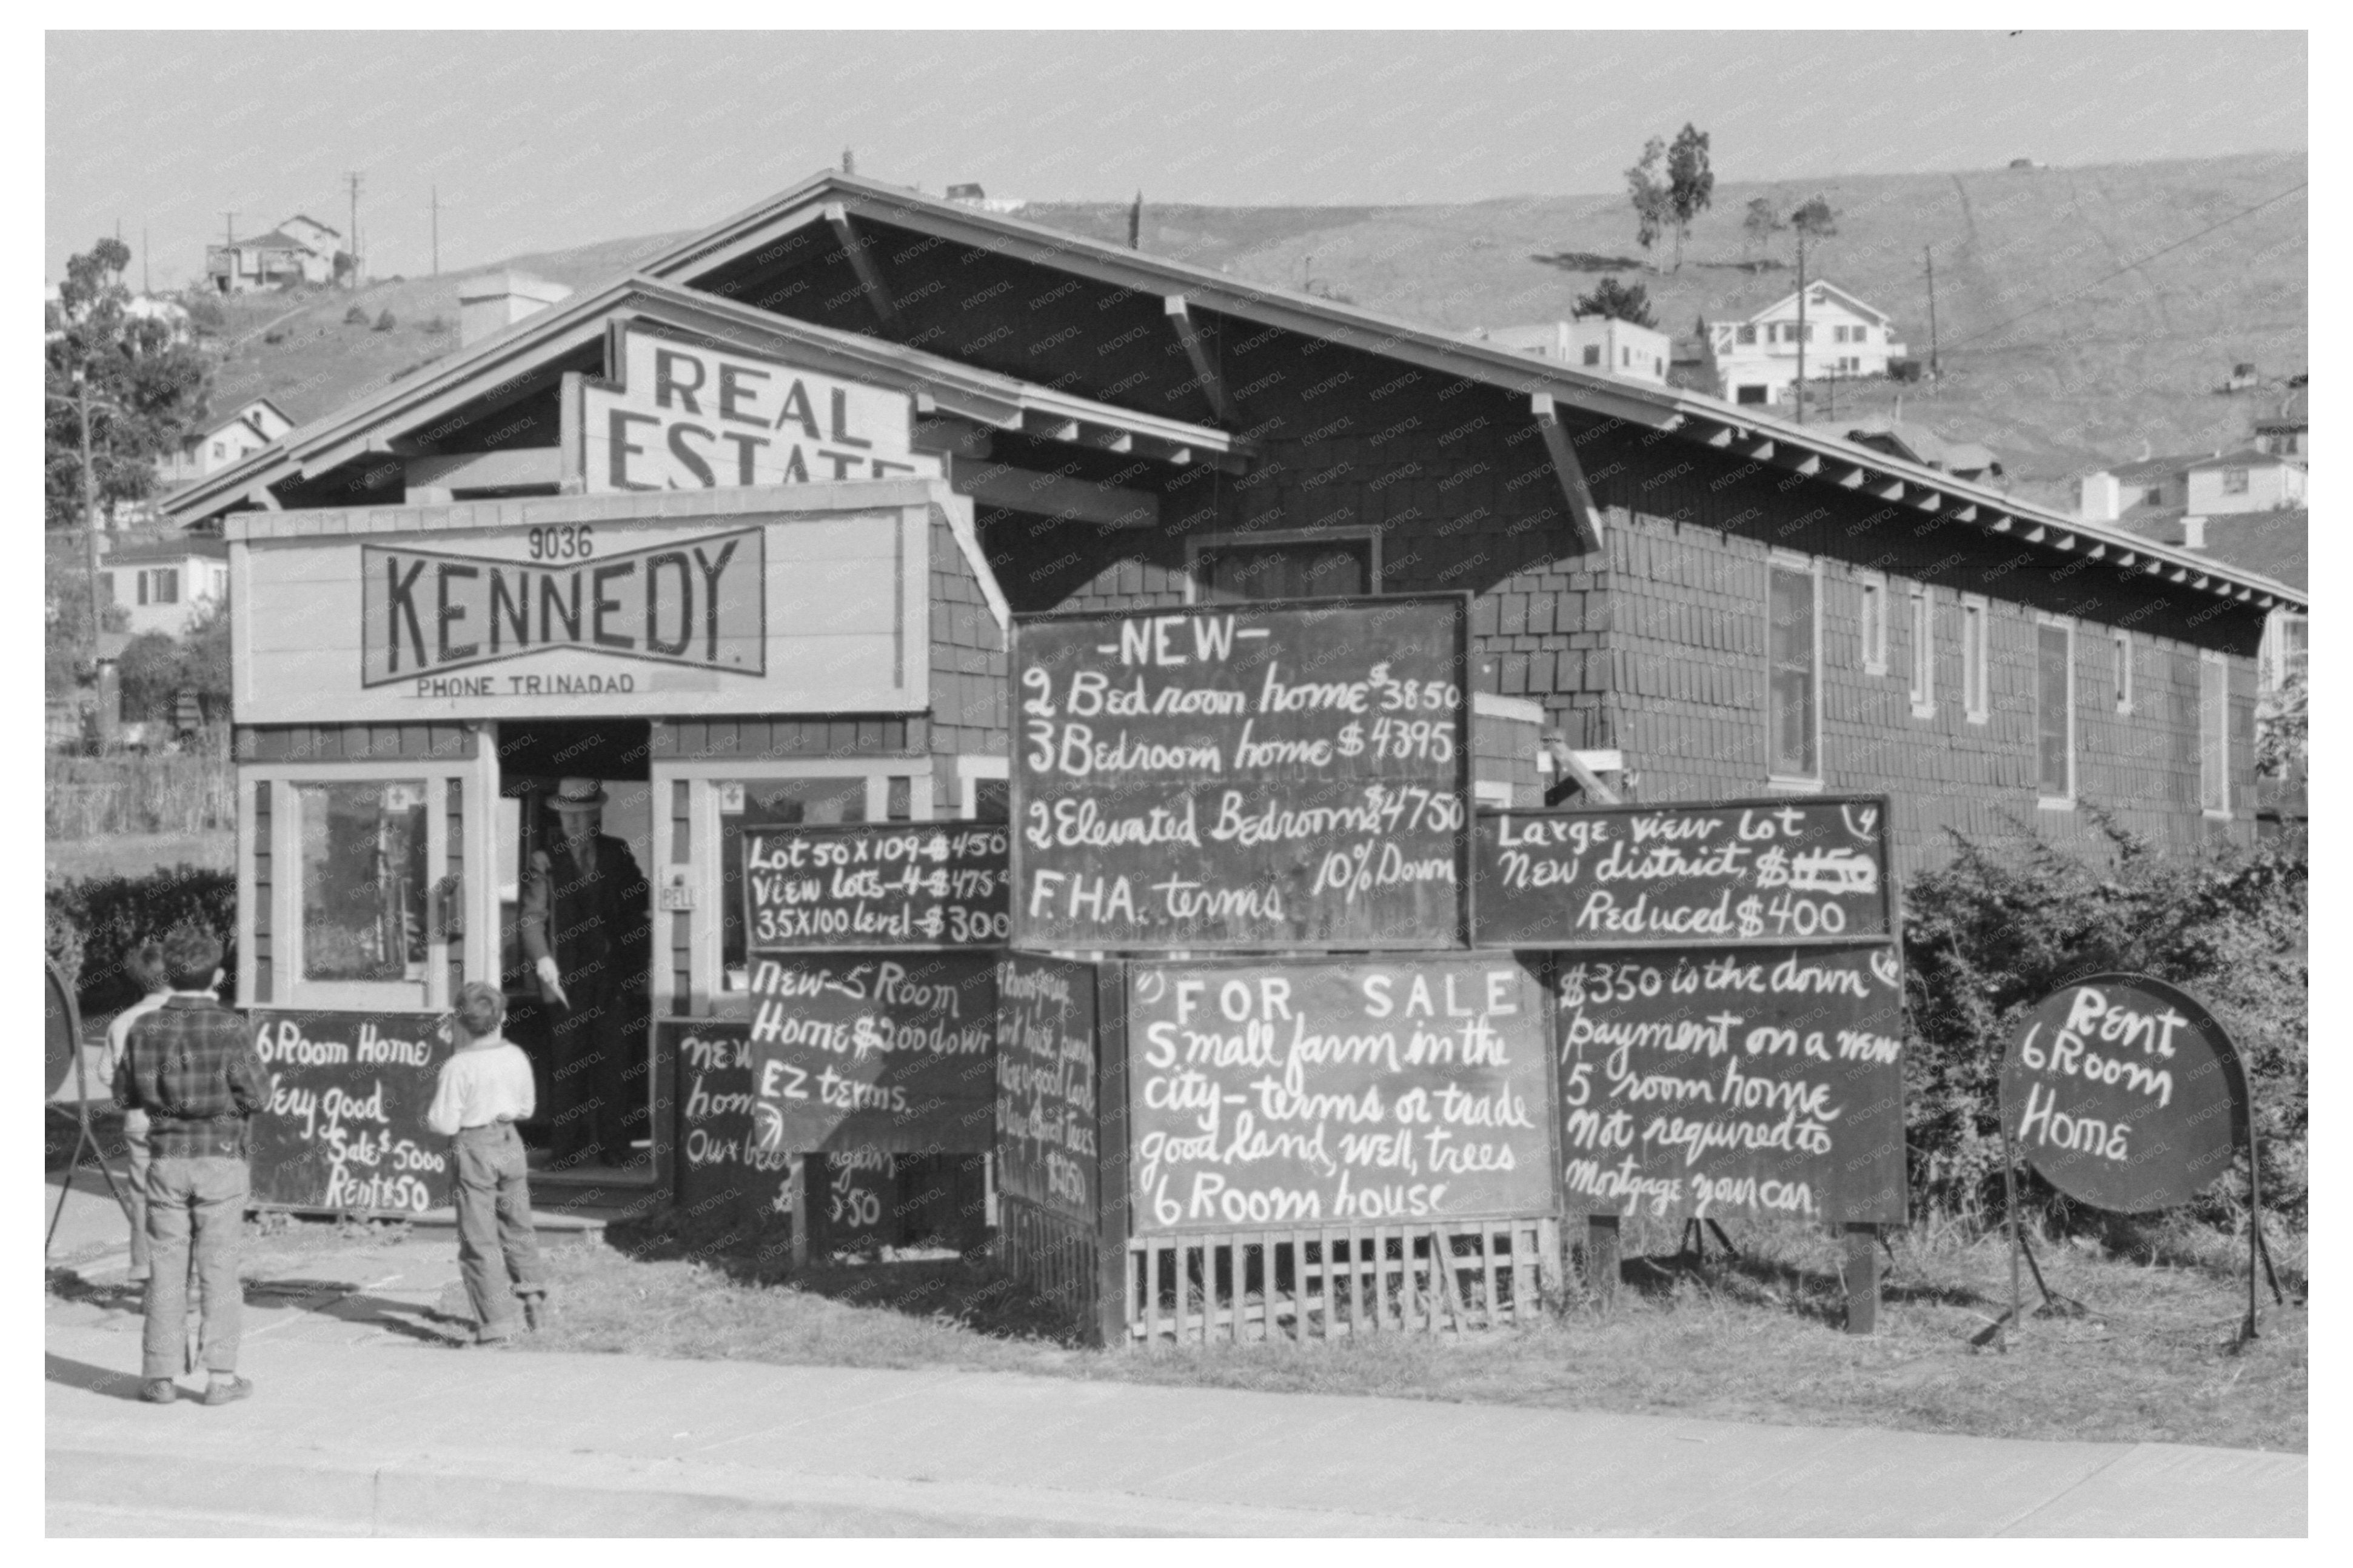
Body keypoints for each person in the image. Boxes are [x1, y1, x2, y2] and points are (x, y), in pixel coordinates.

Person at [113, 924, 264, 1407]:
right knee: (220, 1268)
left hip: (166, 1159)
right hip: (220, 1156)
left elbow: (123, 1095)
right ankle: (221, 1376)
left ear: (167, 974)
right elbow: (257, 1095)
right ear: (217, 975)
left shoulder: (143, 1027)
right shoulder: (231, 1026)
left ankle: (159, 1375)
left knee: (165, 1268)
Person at [518, 778, 649, 1167]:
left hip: (611, 978)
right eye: (566, 815)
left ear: (595, 814)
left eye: (580, 814)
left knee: (614, 1064)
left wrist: (637, 964)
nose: (573, 822)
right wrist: (543, 959)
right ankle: (566, 1151)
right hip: (565, 980)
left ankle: (615, 1149)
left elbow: (639, 905)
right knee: (568, 1066)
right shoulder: (545, 860)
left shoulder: (616, 852)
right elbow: (531, 917)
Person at [426, 982, 548, 1344]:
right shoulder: (516, 1056)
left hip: (474, 1146)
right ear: (504, 1016)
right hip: (510, 1140)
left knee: (479, 1237)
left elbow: (444, 1123)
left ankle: (497, 1325)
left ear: (459, 1022)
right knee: (517, 1223)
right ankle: (534, 1299)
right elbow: (526, 1108)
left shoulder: (458, 1065)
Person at [101, 941, 173, 1290]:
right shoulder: (186, 1018)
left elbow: (107, 1073)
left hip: (139, 1121)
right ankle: (178, 1273)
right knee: (180, 1196)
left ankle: (144, 1269)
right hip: (179, 1124)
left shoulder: (122, 1022)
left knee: (143, 1196)